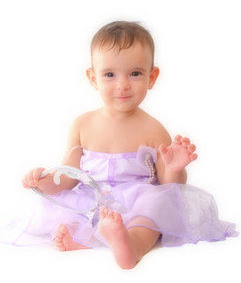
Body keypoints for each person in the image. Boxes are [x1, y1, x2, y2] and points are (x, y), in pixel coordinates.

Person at [21, 21, 237, 269]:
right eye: (109, 74)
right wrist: (45, 182)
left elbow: (170, 187)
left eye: (134, 73)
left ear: (151, 77)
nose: (122, 84)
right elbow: (69, 175)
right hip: (93, 198)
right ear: (93, 78)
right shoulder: (82, 124)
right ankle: (81, 239)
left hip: (136, 201)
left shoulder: (153, 129)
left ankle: (132, 244)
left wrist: (174, 167)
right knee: (69, 211)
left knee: (155, 208)